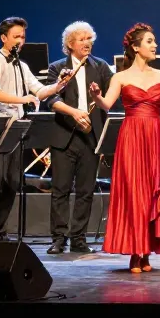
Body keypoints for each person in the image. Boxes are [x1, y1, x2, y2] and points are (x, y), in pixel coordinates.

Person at [94, 23, 160, 272]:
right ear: (135, 47)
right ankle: (135, 250)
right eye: (150, 41)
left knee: (153, 191)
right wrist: (96, 95)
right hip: (131, 137)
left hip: (155, 135)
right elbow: (106, 104)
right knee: (133, 192)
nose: (155, 45)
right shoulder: (120, 77)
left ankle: (147, 250)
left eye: (154, 41)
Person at [0, 17, 63, 240]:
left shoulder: (22, 66)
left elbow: (39, 91)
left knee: (12, 182)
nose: (20, 41)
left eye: (23, 37)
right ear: (3, 38)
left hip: (17, 128)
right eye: (16, 36)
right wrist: (22, 99)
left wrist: (59, 85)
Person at [42, 21, 112, 254]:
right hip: (64, 135)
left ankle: (78, 238)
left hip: (90, 137)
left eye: (89, 38)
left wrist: (99, 97)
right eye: (81, 39)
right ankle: (58, 238)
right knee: (60, 189)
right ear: (70, 44)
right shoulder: (57, 68)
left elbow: (111, 98)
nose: (87, 43)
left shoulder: (101, 67)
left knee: (86, 190)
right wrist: (74, 113)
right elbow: (51, 99)